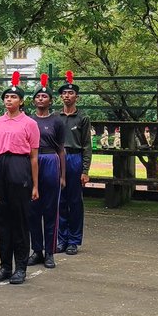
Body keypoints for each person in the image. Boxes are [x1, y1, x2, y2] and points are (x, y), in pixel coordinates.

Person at [0, 72, 39, 285]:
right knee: (1, 218)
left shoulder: (29, 123)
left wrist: (35, 185)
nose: (9, 100)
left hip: (20, 166)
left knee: (19, 219)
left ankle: (21, 266)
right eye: (6, 97)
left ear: (21, 101)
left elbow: (34, 157)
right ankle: (5, 265)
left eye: (13, 97)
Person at [28, 75, 66, 269]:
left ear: (50, 100)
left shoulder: (57, 121)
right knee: (33, 209)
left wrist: (62, 175)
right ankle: (37, 250)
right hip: (32, 161)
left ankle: (50, 252)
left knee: (51, 209)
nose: (41, 99)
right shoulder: (28, 120)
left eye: (45, 96)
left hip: (51, 161)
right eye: (38, 96)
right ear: (34, 100)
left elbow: (61, 148)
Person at [57, 71, 92, 255]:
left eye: (70, 93)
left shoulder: (83, 119)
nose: (67, 96)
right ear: (61, 96)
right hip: (59, 159)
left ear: (76, 97)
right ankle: (61, 238)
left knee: (75, 200)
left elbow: (87, 145)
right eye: (64, 93)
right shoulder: (56, 117)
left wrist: (85, 169)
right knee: (59, 200)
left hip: (75, 158)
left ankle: (74, 240)